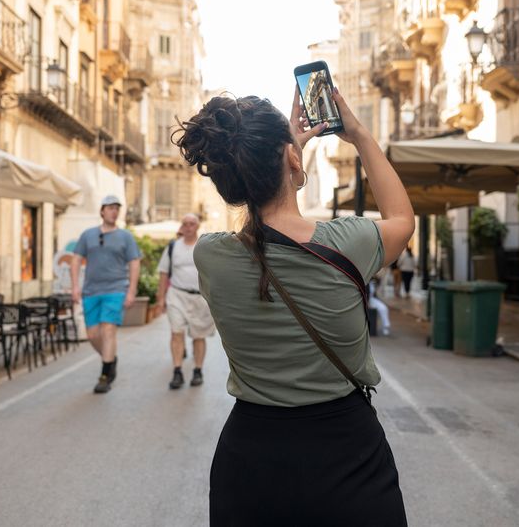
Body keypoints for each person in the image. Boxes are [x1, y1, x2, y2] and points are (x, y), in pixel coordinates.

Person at [176, 86, 414, 526]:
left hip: (250, 462)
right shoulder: (351, 242)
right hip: (347, 451)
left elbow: (261, 234)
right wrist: (357, 133)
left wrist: (286, 155)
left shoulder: (209, 254)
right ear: (289, 159)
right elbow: (402, 219)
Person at [70, 195, 141, 394]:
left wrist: (131, 291)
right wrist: (75, 287)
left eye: (117, 208)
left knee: (108, 331)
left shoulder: (126, 236)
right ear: (102, 211)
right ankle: (110, 360)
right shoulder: (88, 235)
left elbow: (134, 263)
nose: (114, 211)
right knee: (93, 335)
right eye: (110, 208)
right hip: (91, 291)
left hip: (116, 289)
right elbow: (75, 260)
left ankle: (104, 375)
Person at [156, 212, 215, 389]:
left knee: (199, 336)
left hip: (200, 297)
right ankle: (177, 371)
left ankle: (197, 370)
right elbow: (163, 273)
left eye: (192, 223)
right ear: (181, 227)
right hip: (177, 295)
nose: (188, 227)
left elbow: (215, 274)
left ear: (197, 226)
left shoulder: (205, 247)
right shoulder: (173, 247)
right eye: (185, 224)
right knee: (176, 332)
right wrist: (160, 299)